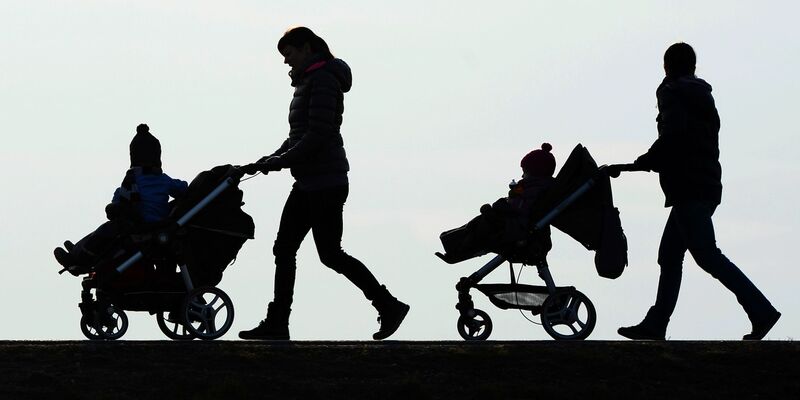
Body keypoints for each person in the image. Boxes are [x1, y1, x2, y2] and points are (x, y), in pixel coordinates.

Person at [239, 27, 409, 341]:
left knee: (330, 254)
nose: (286, 62)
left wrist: (280, 161)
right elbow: (297, 136)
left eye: (289, 54)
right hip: (308, 181)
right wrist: (269, 159)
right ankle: (278, 322)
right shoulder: (308, 82)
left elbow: (318, 135)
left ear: (307, 49)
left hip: (326, 182)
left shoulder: (324, 80)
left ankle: (388, 305)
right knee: (285, 249)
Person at [614, 43, 780, 340]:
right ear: (693, 65)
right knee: (670, 255)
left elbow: (674, 133)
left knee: (706, 255)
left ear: (667, 66)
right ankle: (656, 323)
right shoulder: (703, 95)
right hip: (705, 183)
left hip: (689, 186)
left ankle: (761, 310)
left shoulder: (672, 92)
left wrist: (647, 161)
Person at [53, 124, 188, 272]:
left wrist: (115, 207)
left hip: (142, 225)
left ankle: (80, 255)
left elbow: (118, 199)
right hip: (155, 223)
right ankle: (79, 251)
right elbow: (182, 188)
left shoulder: (131, 179)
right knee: (109, 232)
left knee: (105, 231)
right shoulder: (164, 180)